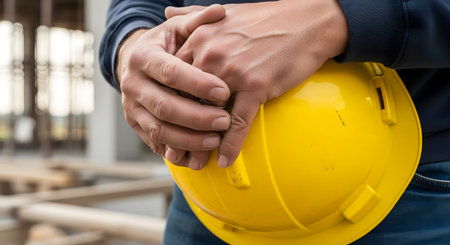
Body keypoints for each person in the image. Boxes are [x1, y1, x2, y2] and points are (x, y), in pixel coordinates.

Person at [100, 0, 450, 244]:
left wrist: (340, 17)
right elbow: (139, 4)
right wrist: (131, 44)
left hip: (405, 190)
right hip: (205, 198)